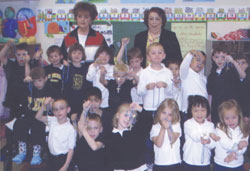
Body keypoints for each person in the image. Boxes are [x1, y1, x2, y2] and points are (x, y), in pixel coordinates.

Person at [12, 67, 56, 165]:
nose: (37, 84)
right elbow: (16, 90)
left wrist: (49, 104)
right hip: (29, 114)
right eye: (35, 81)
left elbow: (52, 108)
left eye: (40, 81)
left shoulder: (50, 89)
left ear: (45, 78)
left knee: (38, 126)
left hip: (42, 116)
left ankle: (36, 154)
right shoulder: (29, 88)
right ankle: (22, 151)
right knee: (19, 124)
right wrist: (24, 81)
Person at [104, 103, 153, 170]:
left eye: (131, 118)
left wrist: (139, 108)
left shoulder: (136, 132)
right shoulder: (109, 136)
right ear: (118, 115)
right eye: (125, 115)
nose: (128, 119)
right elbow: (108, 159)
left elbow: (149, 120)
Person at [35, 98, 76, 171]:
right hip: (51, 157)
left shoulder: (70, 129)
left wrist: (66, 166)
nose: (58, 111)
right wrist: (44, 105)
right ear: (53, 112)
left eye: (61, 108)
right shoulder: (52, 120)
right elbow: (38, 117)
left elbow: (71, 149)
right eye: (55, 109)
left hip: (64, 159)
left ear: (68, 110)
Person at [207, 45, 244, 124]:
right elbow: (210, 95)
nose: (219, 60)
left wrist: (233, 62)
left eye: (223, 57)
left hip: (231, 109)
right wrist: (209, 112)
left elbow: (243, 75)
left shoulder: (231, 71)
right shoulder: (211, 76)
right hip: (216, 110)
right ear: (213, 58)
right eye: (216, 57)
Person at [211, 99, 249, 171]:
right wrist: (238, 146)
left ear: (239, 116)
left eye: (234, 118)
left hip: (237, 164)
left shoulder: (244, 129)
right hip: (221, 163)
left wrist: (236, 153)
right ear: (222, 118)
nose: (230, 121)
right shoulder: (220, 127)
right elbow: (225, 143)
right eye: (227, 118)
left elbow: (244, 148)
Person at [137, 42, 173, 114]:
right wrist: (146, 87)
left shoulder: (168, 72)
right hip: (148, 108)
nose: (157, 55)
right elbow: (139, 92)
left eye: (160, 53)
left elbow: (172, 92)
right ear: (148, 57)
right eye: (153, 53)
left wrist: (165, 85)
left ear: (164, 55)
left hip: (164, 109)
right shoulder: (144, 72)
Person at [182, 95, 215, 171]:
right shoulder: (188, 123)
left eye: (203, 110)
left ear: (207, 111)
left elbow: (213, 144)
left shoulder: (211, 125)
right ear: (191, 111)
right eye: (196, 110)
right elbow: (194, 135)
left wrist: (209, 141)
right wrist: (201, 138)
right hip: (189, 161)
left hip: (204, 163)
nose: (199, 114)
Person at [0, 41, 31, 118]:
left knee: (25, 120)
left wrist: (27, 63)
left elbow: (28, 78)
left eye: (24, 54)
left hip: (25, 98)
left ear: (28, 55)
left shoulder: (31, 65)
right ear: (15, 55)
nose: (21, 57)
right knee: (13, 121)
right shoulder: (11, 64)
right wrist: (7, 46)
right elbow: (1, 57)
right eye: (19, 55)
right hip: (13, 99)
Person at [62, 43, 92, 121]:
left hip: (82, 100)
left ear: (83, 55)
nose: (76, 55)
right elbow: (64, 83)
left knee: (81, 121)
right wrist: (67, 67)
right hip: (70, 100)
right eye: (74, 53)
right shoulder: (67, 68)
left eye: (79, 53)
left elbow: (89, 85)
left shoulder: (86, 68)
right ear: (70, 54)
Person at [150, 98, 182, 171]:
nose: (166, 116)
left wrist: (169, 128)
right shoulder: (155, 127)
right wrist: (163, 128)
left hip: (175, 162)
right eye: (164, 112)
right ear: (159, 112)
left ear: (174, 116)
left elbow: (172, 140)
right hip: (160, 164)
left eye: (170, 114)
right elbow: (158, 144)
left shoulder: (176, 125)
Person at [179, 50, 208, 124]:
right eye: (198, 60)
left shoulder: (203, 78)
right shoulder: (185, 74)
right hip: (188, 111)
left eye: (203, 62)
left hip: (201, 110)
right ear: (190, 61)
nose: (200, 63)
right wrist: (190, 54)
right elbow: (183, 66)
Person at [117, 37, 143, 105]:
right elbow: (118, 60)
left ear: (141, 60)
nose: (134, 64)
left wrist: (134, 75)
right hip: (128, 101)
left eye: (137, 61)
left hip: (140, 102)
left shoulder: (144, 72)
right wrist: (123, 45)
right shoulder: (128, 69)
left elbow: (140, 83)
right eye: (132, 62)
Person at [235, 54, 250, 123]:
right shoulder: (232, 78)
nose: (240, 65)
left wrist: (247, 115)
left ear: (248, 65)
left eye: (243, 63)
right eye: (237, 63)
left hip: (246, 114)